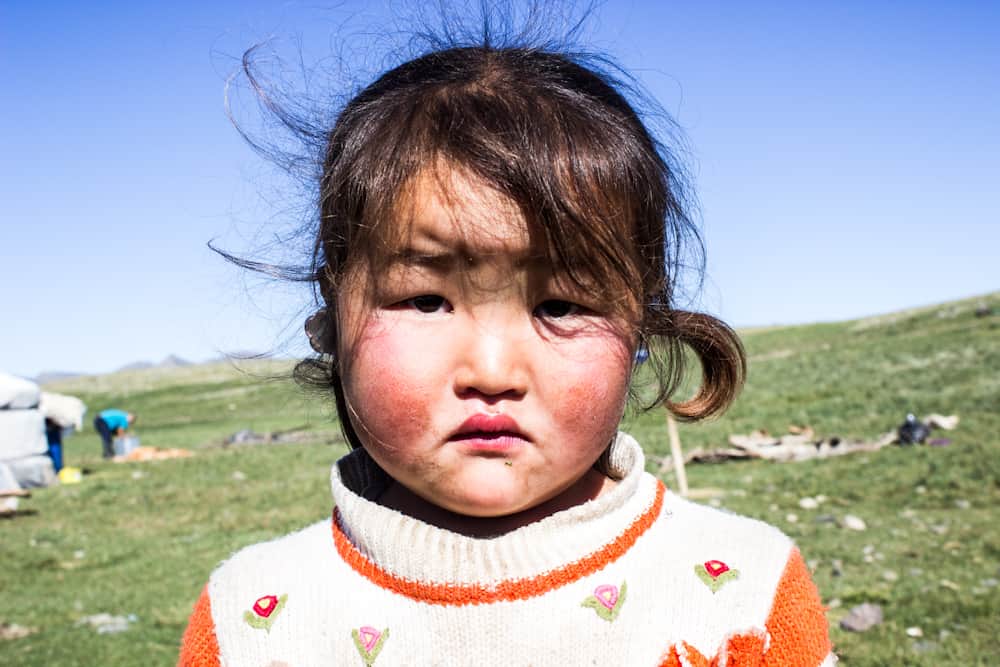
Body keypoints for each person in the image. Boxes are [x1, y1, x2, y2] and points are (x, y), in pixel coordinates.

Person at [179, 30, 834, 667]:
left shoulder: (743, 593)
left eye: (560, 305)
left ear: (641, 319)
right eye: (426, 300)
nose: (491, 372)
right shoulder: (252, 619)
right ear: (333, 309)